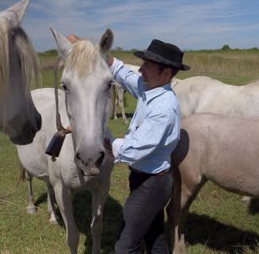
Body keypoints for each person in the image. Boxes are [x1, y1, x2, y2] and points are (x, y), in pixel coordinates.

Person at [67, 35, 189, 253]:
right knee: (155, 237)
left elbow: (136, 148)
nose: (141, 70)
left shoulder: (164, 108)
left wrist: (104, 141)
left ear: (166, 73)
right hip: (148, 180)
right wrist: (97, 53)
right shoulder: (149, 89)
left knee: (125, 245)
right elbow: (123, 75)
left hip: (151, 185)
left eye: (147, 66)